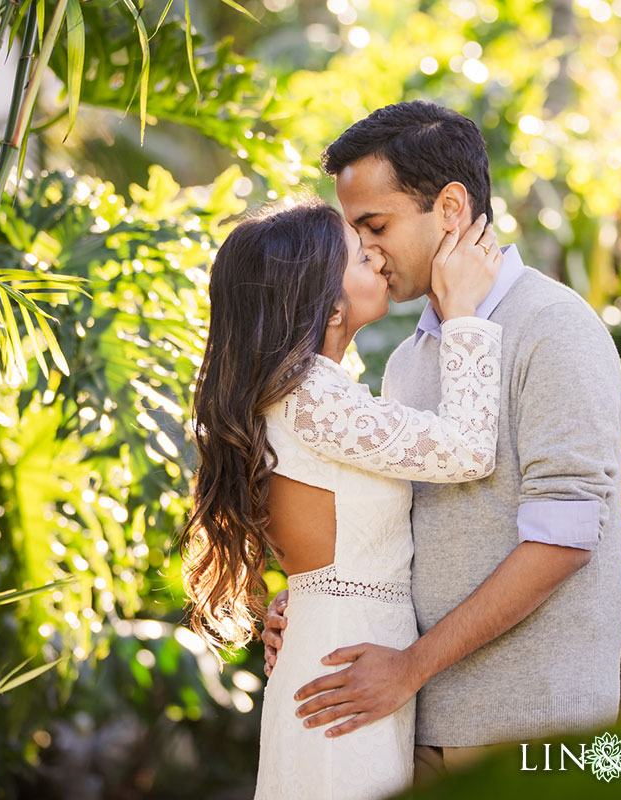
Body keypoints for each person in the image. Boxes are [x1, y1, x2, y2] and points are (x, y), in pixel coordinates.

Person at [261, 100, 621, 784]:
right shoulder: (408, 360)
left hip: (527, 731)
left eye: (376, 226)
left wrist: (410, 667)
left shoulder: (553, 328)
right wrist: (314, 596)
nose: (365, 252)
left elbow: (564, 539)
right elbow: (392, 525)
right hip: (409, 720)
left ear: (450, 209)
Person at [183, 196, 505, 798]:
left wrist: (297, 597)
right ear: (329, 306)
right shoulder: (311, 396)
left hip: (343, 646)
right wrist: (464, 315)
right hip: (346, 661)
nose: (380, 256)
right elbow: (467, 451)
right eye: (361, 254)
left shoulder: (310, 391)